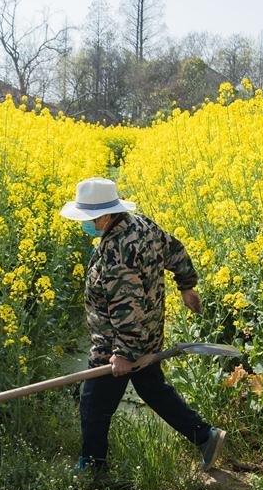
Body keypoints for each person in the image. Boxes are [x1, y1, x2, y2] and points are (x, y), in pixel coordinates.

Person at [59, 177, 225, 473]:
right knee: (152, 389)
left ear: (106, 215)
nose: (85, 223)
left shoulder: (117, 251)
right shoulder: (141, 224)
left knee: (93, 402)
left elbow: (126, 305)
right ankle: (205, 436)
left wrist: (122, 353)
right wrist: (187, 285)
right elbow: (175, 250)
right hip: (147, 333)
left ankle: (92, 466)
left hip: (119, 341)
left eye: (90, 218)